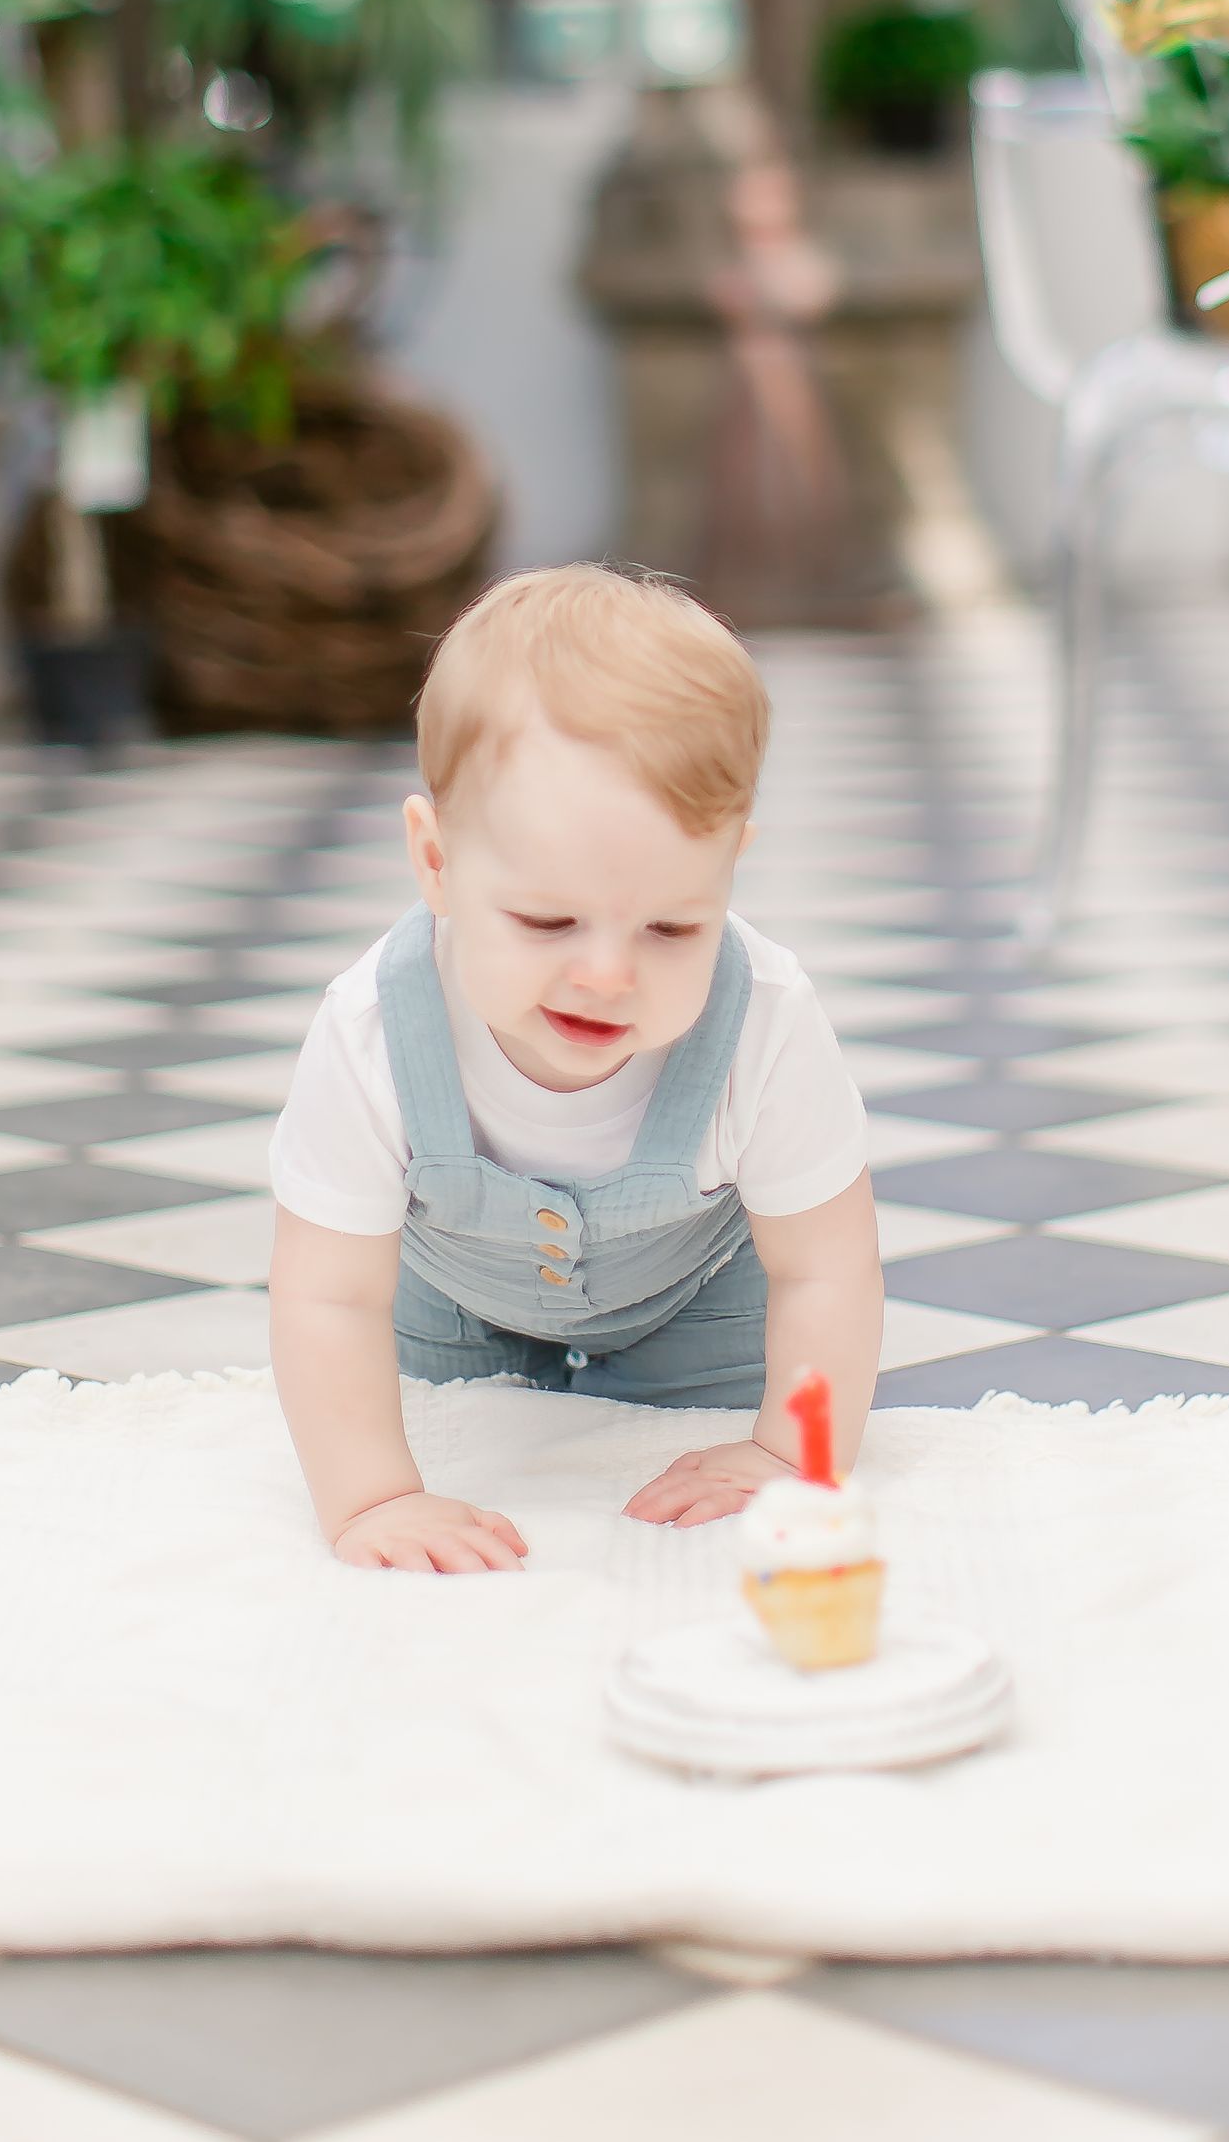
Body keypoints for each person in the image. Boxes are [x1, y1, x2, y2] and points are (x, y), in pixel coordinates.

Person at [267, 564, 884, 1573]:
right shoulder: (373, 1029)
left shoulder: (764, 1021)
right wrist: (374, 1498)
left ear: (730, 869)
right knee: (439, 1411)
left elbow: (826, 1268)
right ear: (436, 863)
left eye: (674, 926)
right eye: (546, 920)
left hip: (698, 1300)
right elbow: (326, 1295)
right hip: (451, 1308)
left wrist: (786, 1451)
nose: (606, 974)